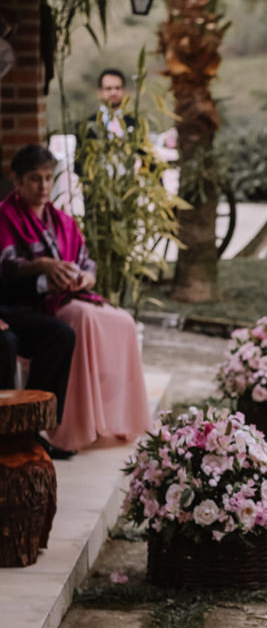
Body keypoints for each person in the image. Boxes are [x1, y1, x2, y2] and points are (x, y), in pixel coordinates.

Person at [0, 144, 150, 452]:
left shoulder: (62, 221)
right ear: (16, 181)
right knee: (75, 325)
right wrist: (41, 267)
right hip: (27, 302)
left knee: (123, 321)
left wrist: (86, 278)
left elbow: (86, 263)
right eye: (34, 179)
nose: (43, 186)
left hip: (72, 295)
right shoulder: (6, 218)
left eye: (47, 178)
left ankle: (57, 424)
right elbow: (6, 268)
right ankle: (60, 425)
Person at [0, 265, 76, 459]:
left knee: (61, 335)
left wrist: (46, 281)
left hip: (9, 309)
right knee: (5, 342)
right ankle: (5, 435)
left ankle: (31, 431)